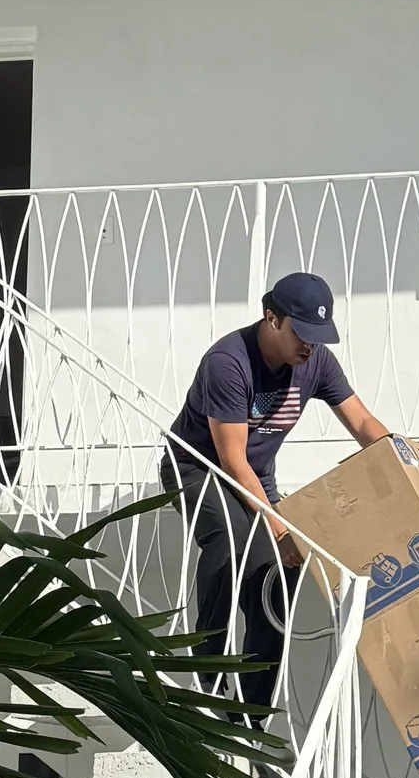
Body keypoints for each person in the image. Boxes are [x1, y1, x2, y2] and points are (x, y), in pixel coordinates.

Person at [162, 272, 390, 707]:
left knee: (277, 578)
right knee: (231, 541)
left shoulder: (317, 361)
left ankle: (252, 709)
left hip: (256, 478)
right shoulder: (228, 363)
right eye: (302, 333)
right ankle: (207, 676)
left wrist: (401, 455)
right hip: (197, 469)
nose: (310, 345)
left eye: (319, 336)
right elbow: (231, 461)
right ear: (272, 318)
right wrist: (279, 527)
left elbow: (361, 422)